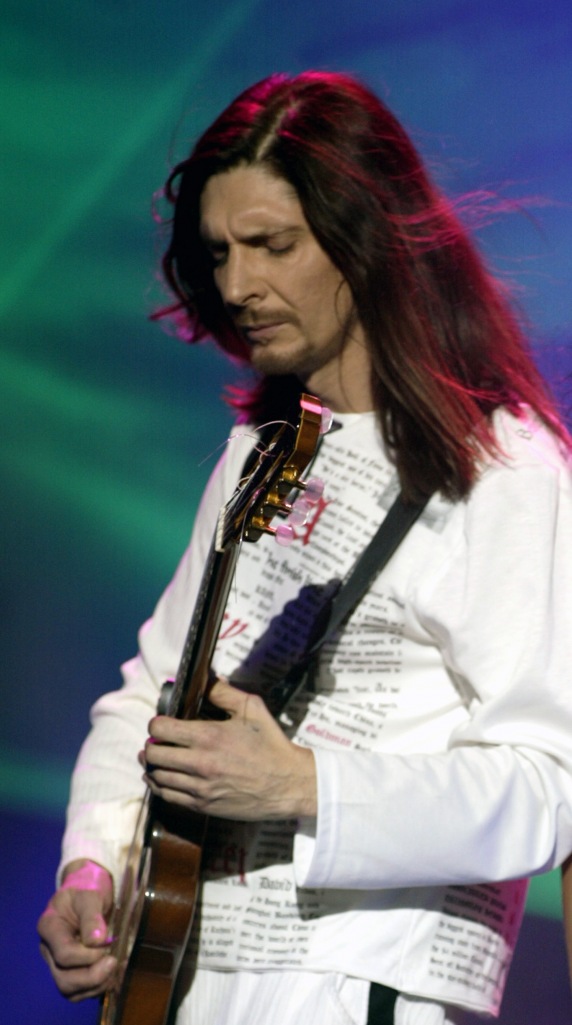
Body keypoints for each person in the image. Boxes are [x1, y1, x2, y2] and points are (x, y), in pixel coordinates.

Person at [38, 71, 572, 1025]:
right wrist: (92, 859)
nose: (236, 286)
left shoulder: (504, 468)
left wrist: (302, 785)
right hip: (191, 970)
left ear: (366, 238)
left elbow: (548, 785)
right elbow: (150, 693)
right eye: (219, 253)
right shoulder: (262, 452)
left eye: (272, 245)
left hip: (366, 980)